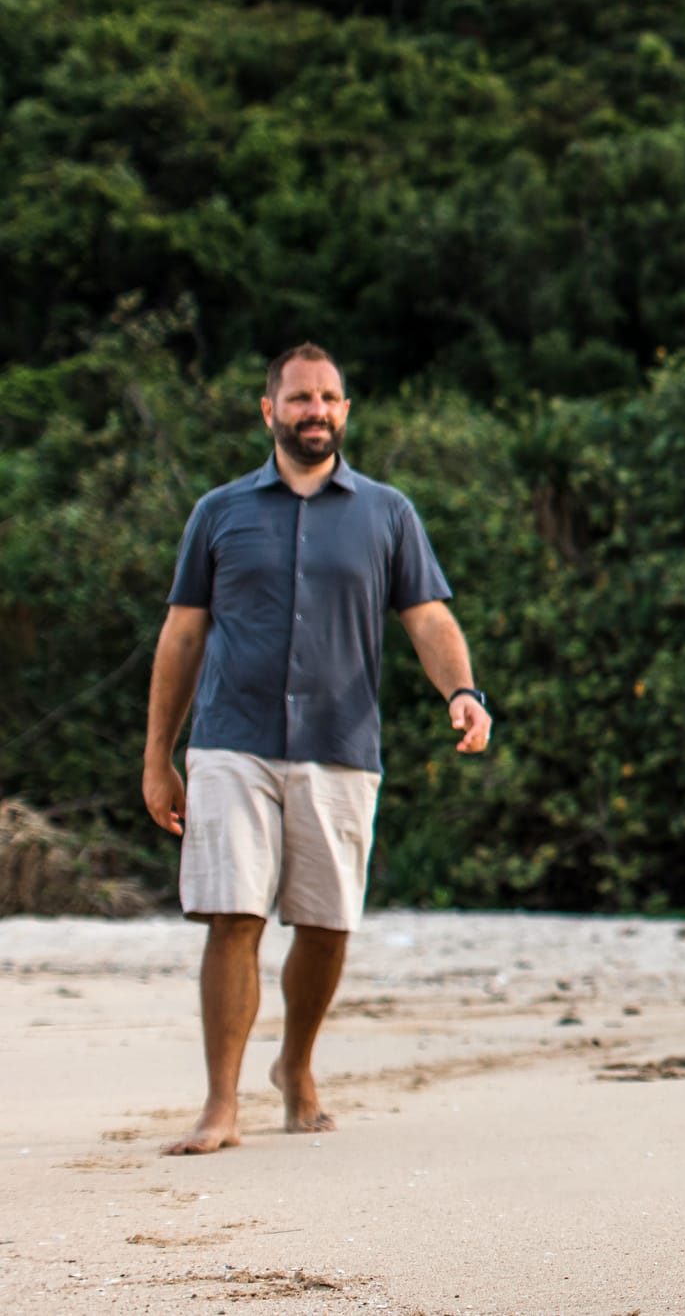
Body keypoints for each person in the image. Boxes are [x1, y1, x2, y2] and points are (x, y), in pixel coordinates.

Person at [140, 342, 491, 1156]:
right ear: (269, 410)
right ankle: (220, 1103)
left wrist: (463, 692)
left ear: (345, 410)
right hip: (231, 741)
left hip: (339, 743)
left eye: (329, 398)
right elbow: (183, 634)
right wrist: (159, 754)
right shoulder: (218, 512)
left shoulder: (387, 512)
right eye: (299, 398)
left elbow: (429, 617)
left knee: (326, 924)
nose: (316, 411)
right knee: (232, 915)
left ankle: (294, 1067)